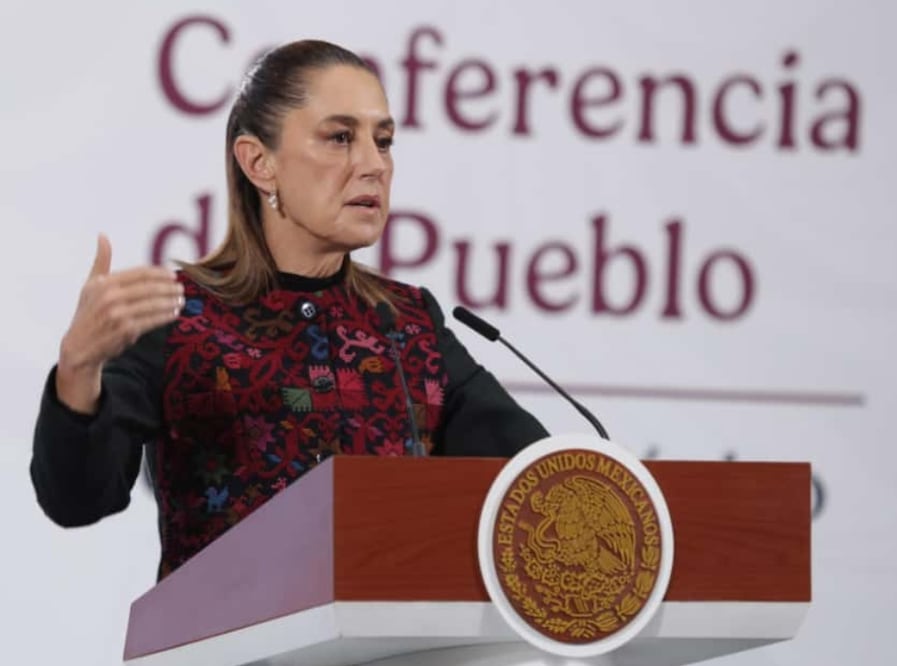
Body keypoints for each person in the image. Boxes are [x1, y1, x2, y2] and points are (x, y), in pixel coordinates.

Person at [29, 39, 548, 580]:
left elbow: (540, 482)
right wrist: (79, 368)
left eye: (384, 141)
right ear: (259, 163)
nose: (374, 165)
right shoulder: (177, 317)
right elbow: (77, 499)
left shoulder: (409, 323)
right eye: (341, 138)